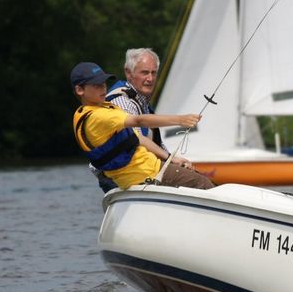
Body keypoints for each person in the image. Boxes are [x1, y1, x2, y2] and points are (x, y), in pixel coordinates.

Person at [71, 61, 215, 190]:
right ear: (79, 90)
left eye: (103, 83)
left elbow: (138, 138)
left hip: (144, 172)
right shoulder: (97, 116)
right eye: (96, 85)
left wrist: (170, 158)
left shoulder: (98, 109)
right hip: (147, 174)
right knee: (204, 184)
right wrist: (180, 120)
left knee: (196, 179)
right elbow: (138, 121)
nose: (103, 88)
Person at [90, 48, 163, 192]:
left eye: (154, 73)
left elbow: (154, 142)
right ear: (128, 73)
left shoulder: (142, 102)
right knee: (196, 182)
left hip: (136, 170)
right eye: (145, 72)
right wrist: (170, 159)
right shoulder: (122, 102)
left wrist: (175, 161)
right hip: (119, 175)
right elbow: (137, 140)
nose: (150, 78)